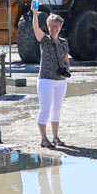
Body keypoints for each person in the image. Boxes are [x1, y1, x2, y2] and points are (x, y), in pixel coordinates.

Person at [34, 12, 70, 149]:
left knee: (57, 109)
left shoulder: (64, 42)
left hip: (61, 81)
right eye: (52, 25)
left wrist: (67, 71)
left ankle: (55, 137)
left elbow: (66, 60)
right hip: (46, 80)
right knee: (45, 109)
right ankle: (44, 139)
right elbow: (36, 28)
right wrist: (35, 13)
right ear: (48, 26)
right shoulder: (44, 40)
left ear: (60, 27)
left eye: (57, 26)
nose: (54, 28)